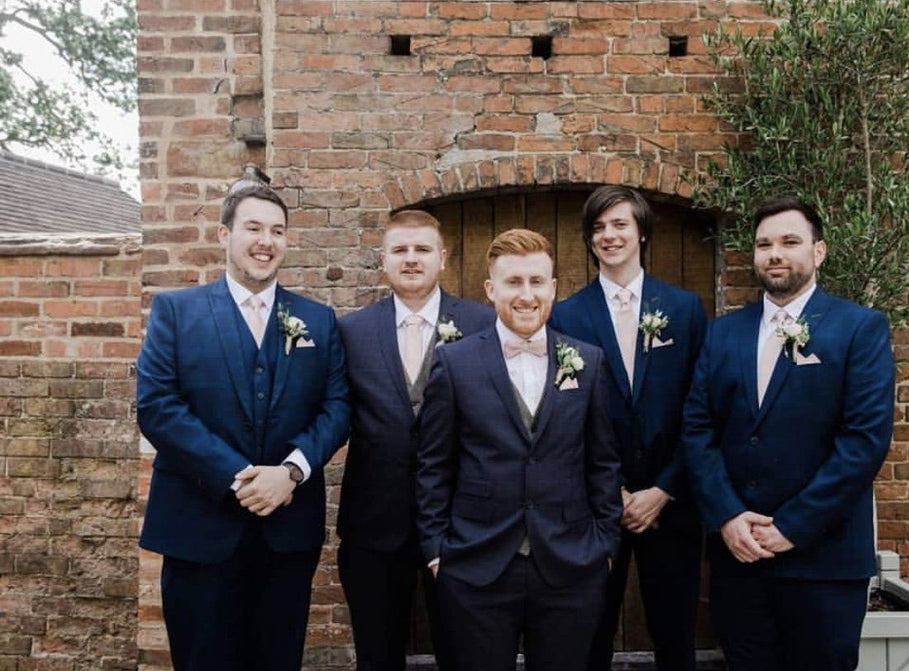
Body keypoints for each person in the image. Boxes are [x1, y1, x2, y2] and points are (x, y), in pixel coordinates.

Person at [136, 182, 351, 671]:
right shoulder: (176, 311)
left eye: (277, 231)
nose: (265, 241)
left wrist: (290, 472)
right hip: (198, 530)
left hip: (286, 533)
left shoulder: (317, 320)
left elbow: (337, 407)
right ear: (224, 234)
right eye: (253, 228)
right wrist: (241, 478)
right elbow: (157, 407)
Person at [683, 197, 895, 671]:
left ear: (818, 252)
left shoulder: (859, 329)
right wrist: (727, 515)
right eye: (764, 245)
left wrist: (790, 527)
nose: (774, 254)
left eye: (789, 242)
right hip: (740, 558)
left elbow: (864, 442)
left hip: (825, 561)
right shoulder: (722, 334)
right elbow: (697, 429)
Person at [416, 228, 621, 671]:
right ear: (491, 289)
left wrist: (604, 545)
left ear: (553, 288)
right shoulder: (454, 363)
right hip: (476, 564)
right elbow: (434, 465)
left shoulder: (588, 361)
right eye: (513, 282)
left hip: (570, 563)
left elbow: (602, 462)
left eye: (536, 282)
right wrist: (436, 552)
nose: (526, 295)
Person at [549, 185, 707, 671]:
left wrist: (664, 489)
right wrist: (611, 491)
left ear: (641, 232)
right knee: (590, 635)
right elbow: (565, 414)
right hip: (597, 507)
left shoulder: (683, 308)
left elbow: (700, 408)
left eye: (619, 224)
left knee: (675, 635)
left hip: (672, 502)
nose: (608, 235)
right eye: (598, 227)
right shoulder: (566, 315)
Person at [336, 209, 493, 670]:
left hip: (462, 522)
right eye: (400, 250)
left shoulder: (482, 324)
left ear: (443, 257)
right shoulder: (351, 331)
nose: (411, 259)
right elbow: (335, 413)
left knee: (465, 655)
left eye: (422, 249)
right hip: (374, 523)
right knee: (377, 656)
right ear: (383, 259)